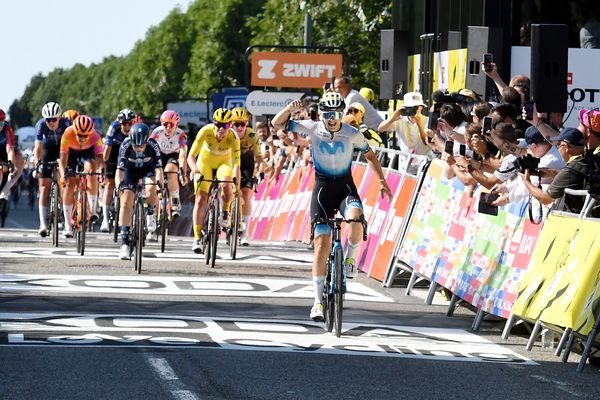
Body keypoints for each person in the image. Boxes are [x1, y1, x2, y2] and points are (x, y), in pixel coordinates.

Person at [271, 91, 393, 322]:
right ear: (322, 114)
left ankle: (350, 259)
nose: (331, 118)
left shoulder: (351, 132)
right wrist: (289, 110)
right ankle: (317, 302)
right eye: (327, 113)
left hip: (345, 187)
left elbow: (370, 155)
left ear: (341, 113)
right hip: (322, 191)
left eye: (336, 113)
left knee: (356, 218)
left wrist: (381, 180)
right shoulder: (312, 128)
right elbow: (277, 123)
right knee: (321, 243)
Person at [522, 109, 600, 216]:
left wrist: (526, 181)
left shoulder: (578, 164)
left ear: (587, 132)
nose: (557, 147)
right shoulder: (589, 154)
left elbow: (545, 198)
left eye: (581, 124)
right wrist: (552, 173)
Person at [187, 108, 240, 254]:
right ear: (213, 123)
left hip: (224, 164)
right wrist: (194, 170)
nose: (221, 129)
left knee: (227, 183)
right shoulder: (206, 131)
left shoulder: (234, 137)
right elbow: (191, 156)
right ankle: (197, 237)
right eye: (218, 125)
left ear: (230, 126)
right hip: (205, 163)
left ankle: (225, 212)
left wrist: (237, 184)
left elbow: (236, 165)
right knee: (200, 199)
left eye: (226, 126)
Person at [116, 123, 162, 260]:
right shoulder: (125, 145)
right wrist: (119, 186)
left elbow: (159, 170)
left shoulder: (153, 145)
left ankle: (150, 213)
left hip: (147, 169)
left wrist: (159, 185)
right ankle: (124, 244)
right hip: (130, 171)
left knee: (150, 188)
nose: (139, 149)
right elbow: (120, 170)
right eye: (136, 146)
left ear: (147, 141)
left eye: (142, 145)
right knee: (125, 202)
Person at [58, 115, 103, 237]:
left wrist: (100, 171)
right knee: (70, 183)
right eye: (79, 135)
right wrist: (63, 175)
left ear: (90, 133)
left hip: (87, 153)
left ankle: (93, 209)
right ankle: (67, 224)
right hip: (71, 154)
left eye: (85, 136)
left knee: (92, 170)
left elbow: (99, 157)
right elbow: (62, 159)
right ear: (75, 131)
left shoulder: (96, 136)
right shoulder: (67, 134)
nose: (82, 138)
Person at [33, 102, 71, 237]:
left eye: (54, 119)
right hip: (47, 150)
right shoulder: (41, 125)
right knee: (44, 188)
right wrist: (37, 165)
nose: (51, 122)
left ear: (59, 117)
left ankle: (64, 210)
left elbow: (72, 145)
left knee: (64, 182)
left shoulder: (66, 124)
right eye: (48, 119)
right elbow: (37, 148)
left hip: (63, 150)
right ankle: (42, 224)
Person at [230, 107, 262, 246]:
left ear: (247, 124)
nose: (239, 127)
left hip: (246, 163)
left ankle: (244, 233)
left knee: (247, 195)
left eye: (242, 123)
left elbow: (259, 157)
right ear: (231, 124)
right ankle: (226, 214)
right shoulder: (228, 135)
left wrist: (259, 172)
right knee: (229, 191)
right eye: (236, 124)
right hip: (230, 162)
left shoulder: (252, 136)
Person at [100, 109, 135, 232]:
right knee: (110, 184)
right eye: (124, 123)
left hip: (129, 154)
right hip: (114, 153)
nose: (127, 126)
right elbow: (107, 150)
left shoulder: (135, 130)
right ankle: (105, 219)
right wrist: (104, 167)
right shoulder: (113, 128)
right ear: (120, 123)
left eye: (129, 123)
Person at [150, 110, 188, 218]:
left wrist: (182, 173)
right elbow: (149, 149)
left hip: (173, 155)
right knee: (157, 173)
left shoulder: (181, 135)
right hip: (159, 154)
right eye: (165, 124)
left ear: (176, 124)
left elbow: (183, 155)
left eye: (171, 124)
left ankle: (175, 199)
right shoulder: (157, 132)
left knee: (170, 171)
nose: (168, 127)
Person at [378, 91, 432, 156]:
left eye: (415, 107)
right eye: (409, 107)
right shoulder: (400, 120)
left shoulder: (428, 121)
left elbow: (427, 142)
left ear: (421, 107)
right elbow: (380, 129)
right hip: (405, 162)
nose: (412, 110)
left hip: (424, 161)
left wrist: (419, 123)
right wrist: (392, 119)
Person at [0, 109, 23, 211]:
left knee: (20, 161)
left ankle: (5, 191)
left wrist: (10, 165)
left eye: (1, 123)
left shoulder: (7, 129)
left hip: (5, 151)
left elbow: (10, 150)